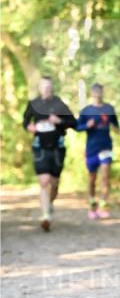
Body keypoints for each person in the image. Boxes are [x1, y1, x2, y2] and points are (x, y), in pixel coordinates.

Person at [22, 75, 76, 231]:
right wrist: (30, 127)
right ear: (39, 88)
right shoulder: (33, 104)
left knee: (54, 183)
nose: (46, 89)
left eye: (48, 87)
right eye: (43, 87)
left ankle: (50, 204)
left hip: (57, 147)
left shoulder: (59, 104)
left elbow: (73, 122)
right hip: (40, 147)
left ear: (52, 88)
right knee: (44, 181)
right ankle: (45, 215)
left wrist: (59, 121)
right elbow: (25, 122)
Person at [76, 84, 119, 219]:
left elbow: (117, 127)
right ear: (91, 93)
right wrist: (86, 126)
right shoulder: (86, 110)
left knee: (105, 175)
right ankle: (92, 205)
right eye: (95, 91)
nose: (97, 93)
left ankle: (104, 206)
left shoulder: (109, 108)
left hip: (106, 146)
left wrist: (113, 127)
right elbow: (77, 127)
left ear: (102, 92)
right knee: (92, 179)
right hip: (91, 148)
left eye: (99, 91)